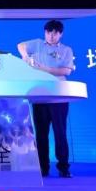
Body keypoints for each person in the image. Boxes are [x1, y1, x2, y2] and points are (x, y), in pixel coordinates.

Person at [17, 20, 75, 178]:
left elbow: (66, 71)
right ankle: (42, 167)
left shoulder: (66, 50)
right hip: (40, 95)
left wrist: (45, 69)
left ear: (61, 34)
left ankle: (63, 167)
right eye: (49, 32)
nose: (51, 36)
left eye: (55, 33)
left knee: (60, 132)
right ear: (45, 33)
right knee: (41, 134)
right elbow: (20, 45)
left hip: (58, 97)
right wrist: (25, 56)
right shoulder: (37, 44)